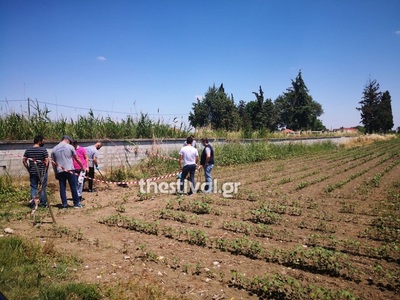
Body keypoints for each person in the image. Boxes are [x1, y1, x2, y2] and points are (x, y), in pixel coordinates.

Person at [51, 135, 84, 208]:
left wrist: (55, 173)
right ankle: (76, 204)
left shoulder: (54, 149)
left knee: (62, 187)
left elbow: (53, 163)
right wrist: (82, 167)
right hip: (70, 170)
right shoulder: (70, 147)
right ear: (67, 140)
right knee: (73, 187)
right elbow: (77, 158)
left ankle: (64, 204)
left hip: (60, 171)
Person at [22, 135, 49, 207]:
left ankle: (33, 203)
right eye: (43, 140)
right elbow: (47, 161)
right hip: (42, 172)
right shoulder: (43, 150)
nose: (44, 142)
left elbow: (24, 160)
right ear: (39, 141)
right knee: (43, 187)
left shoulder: (28, 150)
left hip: (33, 172)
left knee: (34, 187)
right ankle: (43, 204)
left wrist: (28, 168)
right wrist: (46, 170)